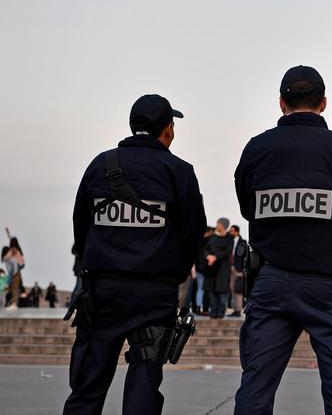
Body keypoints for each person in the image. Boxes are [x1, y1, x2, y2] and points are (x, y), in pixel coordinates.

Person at [233, 65, 332, 414]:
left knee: (255, 386)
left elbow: (248, 207)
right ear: (324, 103)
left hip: (272, 280)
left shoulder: (256, 149)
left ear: (281, 103)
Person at [63, 94, 206, 415]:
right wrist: (177, 273)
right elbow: (194, 232)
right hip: (154, 294)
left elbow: (80, 224)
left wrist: (91, 267)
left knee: (87, 385)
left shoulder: (101, 164)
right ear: (167, 130)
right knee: (143, 381)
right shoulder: (179, 171)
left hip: (102, 292)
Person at [203, 218, 233, 319]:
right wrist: (208, 256)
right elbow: (205, 249)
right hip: (211, 269)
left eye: (218, 223)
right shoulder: (212, 237)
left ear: (223, 225)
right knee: (211, 291)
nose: (216, 225)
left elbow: (228, 251)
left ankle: (220, 314)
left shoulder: (229, 238)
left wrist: (215, 257)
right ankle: (213, 313)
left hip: (223, 269)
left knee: (222, 292)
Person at [228, 225, 248, 317]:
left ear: (237, 232)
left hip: (238, 269)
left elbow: (243, 256)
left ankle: (238, 310)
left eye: (231, 231)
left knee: (238, 290)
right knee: (232, 289)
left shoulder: (242, 242)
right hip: (229, 268)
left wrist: (242, 269)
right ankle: (234, 309)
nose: (230, 232)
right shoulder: (229, 241)